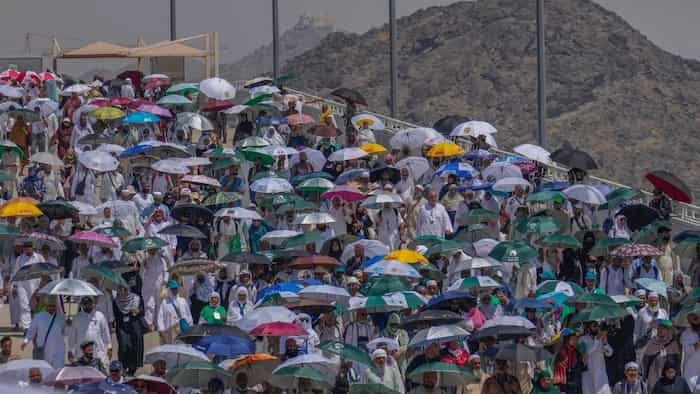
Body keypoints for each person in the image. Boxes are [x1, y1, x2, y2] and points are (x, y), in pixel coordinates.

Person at [68, 296, 112, 367]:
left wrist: (109, 347)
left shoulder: (99, 316)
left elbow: (105, 333)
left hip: (98, 351)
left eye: (89, 303)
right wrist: (70, 350)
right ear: (82, 305)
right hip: (82, 353)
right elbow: (72, 336)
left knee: (99, 373)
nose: (87, 305)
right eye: (85, 304)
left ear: (93, 304)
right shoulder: (77, 318)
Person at [22, 296, 64, 368]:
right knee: (45, 370)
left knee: (57, 370)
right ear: (46, 305)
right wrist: (26, 341)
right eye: (50, 306)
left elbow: (63, 332)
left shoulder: (61, 317)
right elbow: (31, 331)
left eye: (53, 306)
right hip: (44, 349)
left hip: (58, 349)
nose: (52, 308)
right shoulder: (38, 316)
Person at [113, 285, 146, 376]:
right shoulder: (116, 301)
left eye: (125, 289)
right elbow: (116, 315)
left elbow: (143, 311)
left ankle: (132, 369)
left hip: (134, 326)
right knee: (123, 347)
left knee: (134, 347)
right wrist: (126, 315)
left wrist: (138, 311)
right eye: (120, 289)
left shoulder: (136, 298)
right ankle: (123, 367)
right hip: (122, 327)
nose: (123, 291)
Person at [643, 320, 681, 389]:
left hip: (668, 376)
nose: (660, 330)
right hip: (653, 375)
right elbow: (645, 361)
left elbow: (677, 362)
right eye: (658, 328)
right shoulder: (652, 342)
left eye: (663, 328)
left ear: (668, 330)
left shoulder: (673, 344)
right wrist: (644, 376)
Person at [580, 322, 613, 394]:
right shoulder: (583, 339)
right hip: (589, 374)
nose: (597, 328)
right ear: (588, 328)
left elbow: (609, 353)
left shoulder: (600, 339)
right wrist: (597, 341)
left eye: (598, 326)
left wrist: (605, 343)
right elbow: (584, 355)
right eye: (594, 326)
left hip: (601, 374)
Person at [157, 279, 193, 344]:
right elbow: (160, 318)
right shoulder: (164, 303)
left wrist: (190, 330)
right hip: (169, 333)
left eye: (176, 288)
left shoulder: (183, 301)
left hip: (182, 332)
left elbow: (189, 316)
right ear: (169, 289)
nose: (175, 290)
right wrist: (162, 332)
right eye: (173, 289)